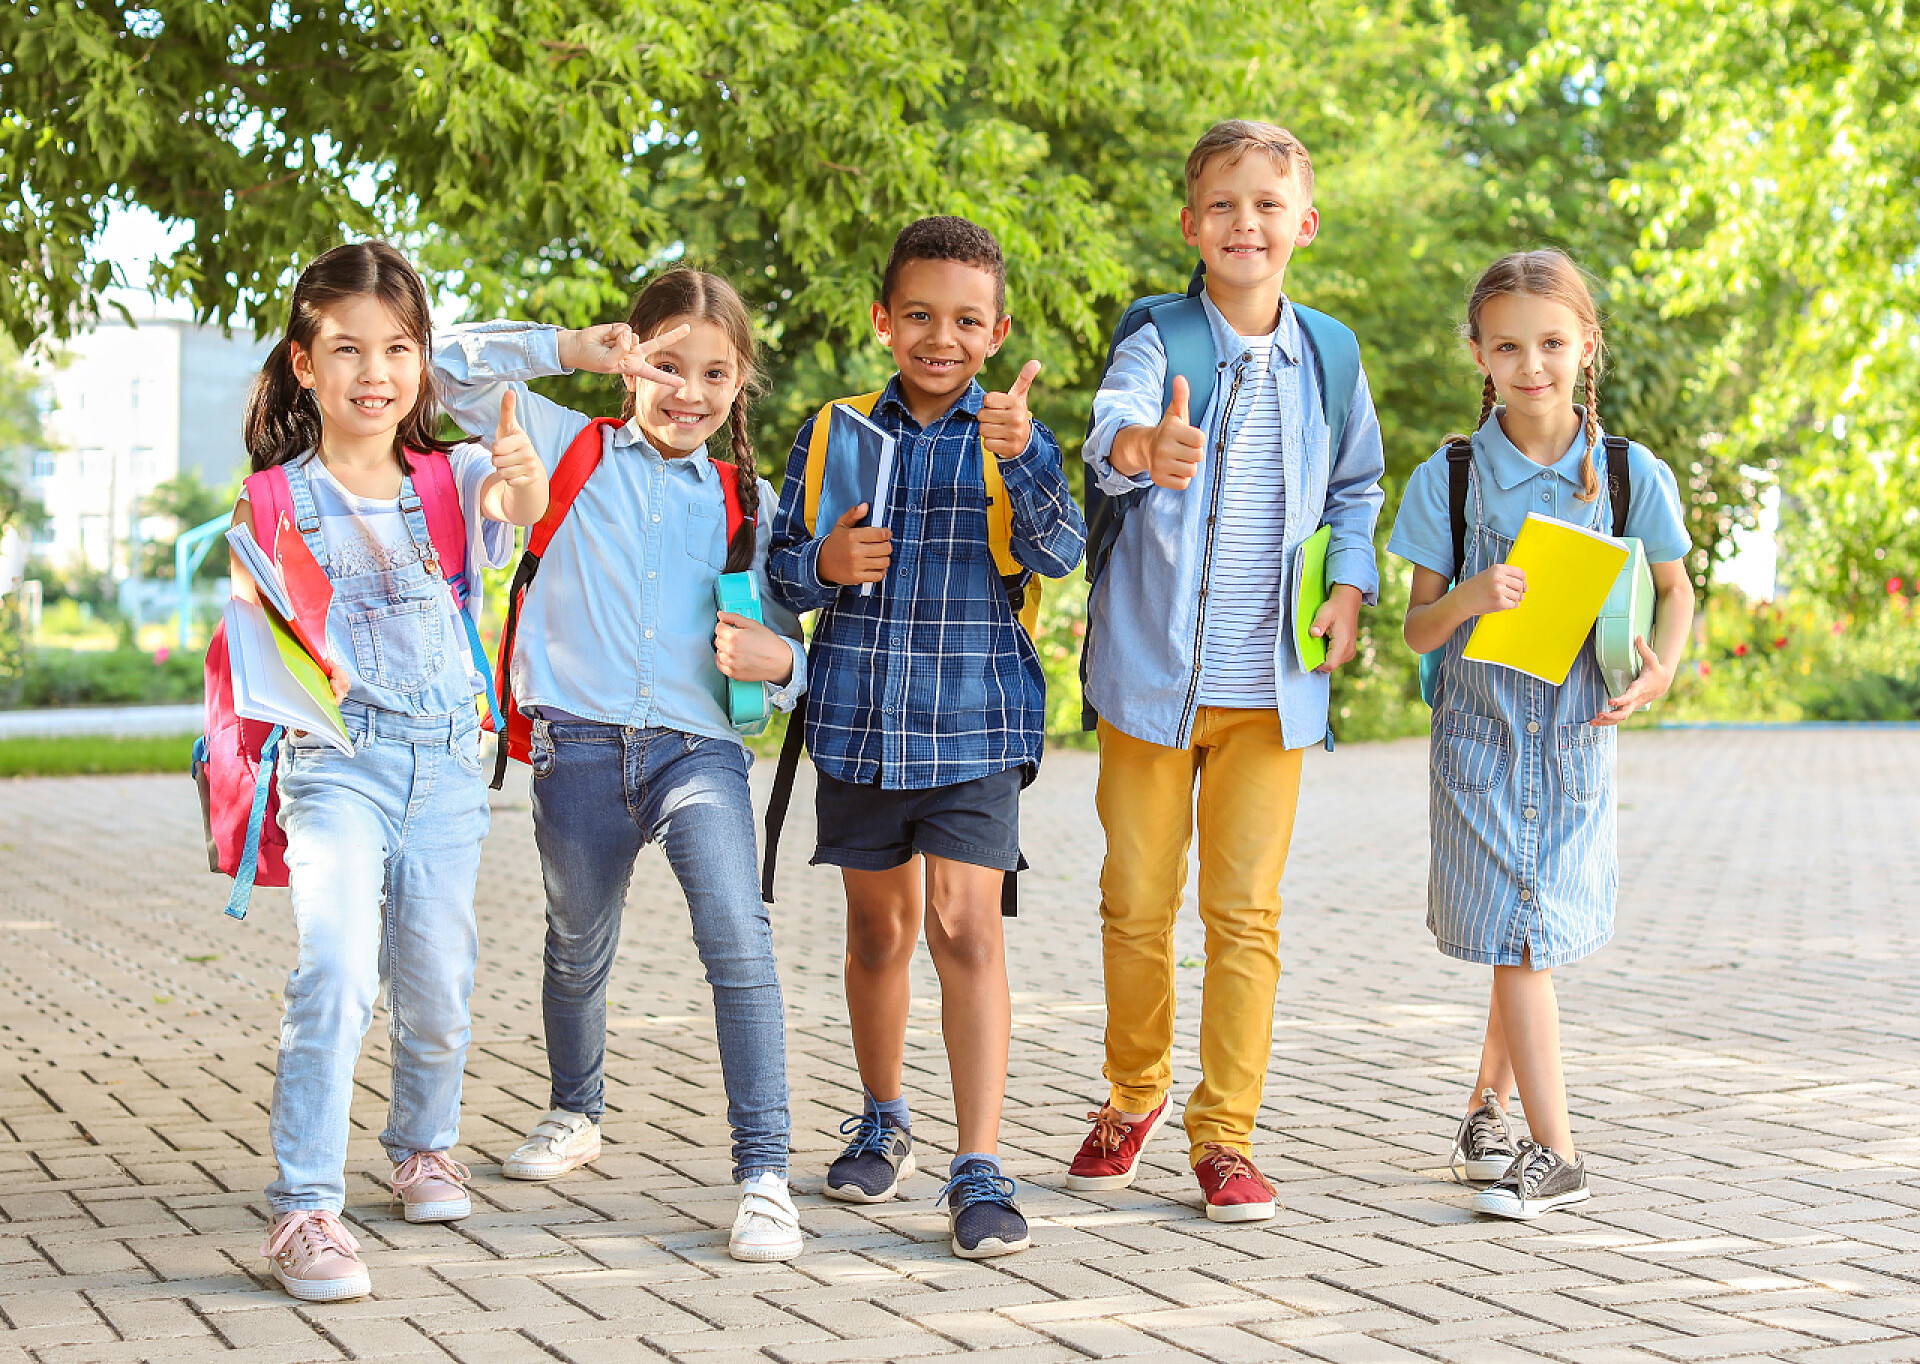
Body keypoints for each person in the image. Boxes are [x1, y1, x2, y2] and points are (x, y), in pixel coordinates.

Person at [432, 269, 809, 1262]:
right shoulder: (569, 443)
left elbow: (776, 653)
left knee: (739, 938)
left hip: (698, 752)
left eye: (715, 372)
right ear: (631, 358)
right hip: (580, 747)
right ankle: (575, 1107)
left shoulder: (749, 499)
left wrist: (786, 665)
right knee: (575, 946)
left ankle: (764, 1173)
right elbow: (431, 371)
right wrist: (567, 346)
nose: (689, 389)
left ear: (742, 383)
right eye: (666, 362)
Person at [1071, 120, 1386, 1222]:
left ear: (1303, 223)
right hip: (1151, 679)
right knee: (1135, 903)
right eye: (1223, 204)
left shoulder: (1333, 356)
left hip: (1272, 687)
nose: (1245, 221)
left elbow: (1358, 490)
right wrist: (1140, 450)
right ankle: (1133, 1091)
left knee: (1245, 914)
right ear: (1190, 225)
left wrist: (1349, 586)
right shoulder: (1161, 336)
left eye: (1268, 203)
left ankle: (1227, 1133)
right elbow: (1110, 423)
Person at [767, 216, 1085, 1258]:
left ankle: (980, 1163)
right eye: (919, 315)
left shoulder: (1009, 437)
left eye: (964, 320)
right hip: (859, 722)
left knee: (967, 930)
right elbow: (779, 569)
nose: (939, 337)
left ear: (993, 332)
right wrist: (827, 562)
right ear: (884, 320)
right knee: (878, 935)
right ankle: (882, 1112)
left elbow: (1063, 549)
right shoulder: (834, 430)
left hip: (980, 720)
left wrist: (1028, 452)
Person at [238, 242, 549, 1301]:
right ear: (304, 362)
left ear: (423, 363)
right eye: (349, 348)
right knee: (334, 965)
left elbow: (518, 506)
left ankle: (423, 1144)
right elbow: (254, 647)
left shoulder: (456, 476)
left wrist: (521, 476)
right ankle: (305, 1208)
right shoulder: (272, 500)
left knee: (439, 980)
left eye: (400, 349)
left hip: (448, 765)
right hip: (335, 767)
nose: (376, 370)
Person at [1388, 248, 1695, 1218]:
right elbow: (1418, 626)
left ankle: (1490, 1108)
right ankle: (1556, 1150)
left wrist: (1665, 665)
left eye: (1552, 343)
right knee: (1513, 933)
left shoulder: (1624, 470)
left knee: (1525, 932)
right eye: (1509, 345)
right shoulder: (1452, 474)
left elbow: (1677, 588)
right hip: (1477, 737)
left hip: (1573, 737)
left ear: (1586, 346)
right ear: (1478, 353)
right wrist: (1475, 593)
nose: (1533, 365)